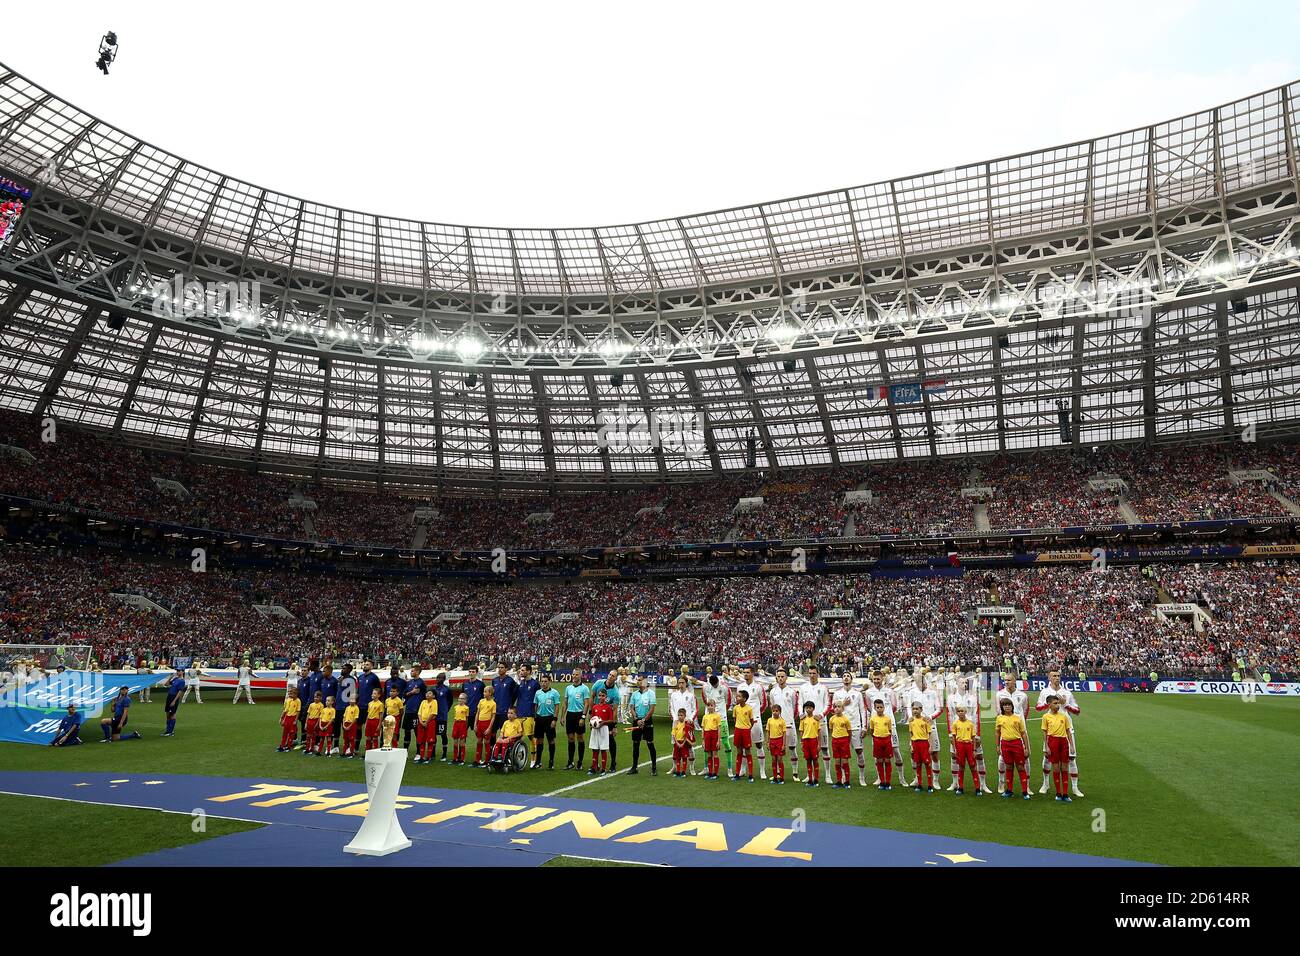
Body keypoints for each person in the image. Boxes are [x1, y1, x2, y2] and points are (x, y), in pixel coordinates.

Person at [1035, 671, 1083, 797]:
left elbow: (1077, 711)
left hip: (1067, 729)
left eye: (1058, 676)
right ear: (1049, 678)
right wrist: (1049, 703)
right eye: (1054, 676)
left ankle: (1075, 787)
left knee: (1071, 758)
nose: (1057, 678)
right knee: (1047, 756)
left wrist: (1065, 703)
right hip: (1051, 730)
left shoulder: (1067, 693)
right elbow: (1038, 708)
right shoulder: (1044, 692)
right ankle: (1045, 784)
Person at [797, 666, 833, 784]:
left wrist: (821, 715)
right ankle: (810, 775)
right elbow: (799, 703)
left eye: (814, 673)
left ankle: (828, 775)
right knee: (808, 751)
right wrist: (801, 714)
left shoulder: (823, 688)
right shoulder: (803, 688)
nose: (812, 675)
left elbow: (828, 704)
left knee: (824, 748)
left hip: (821, 722)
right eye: (810, 673)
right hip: (807, 723)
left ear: (818, 674)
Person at [833, 673, 869, 787]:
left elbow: (863, 710)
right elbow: (833, 710)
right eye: (844, 676)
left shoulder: (857, 694)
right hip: (842, 729)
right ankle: (844, 777)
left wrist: (864, 727)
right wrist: (843, 704)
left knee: (859, 751)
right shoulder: (837, 693)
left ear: (851, 679)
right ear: (842, 679)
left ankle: (861, 777)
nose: (846, 677)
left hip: (855, 726)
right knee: (842, 755)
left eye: (848, 676)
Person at [996, 675, 1030, 795]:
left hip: (1019, 730)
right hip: (1005, 731)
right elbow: (998, 711)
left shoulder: (1023, 695)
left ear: (1014, 681)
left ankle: (1027, 787)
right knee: (1002, 759)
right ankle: (1001, 783)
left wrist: (1018, 723)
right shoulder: (999, 694)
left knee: (1025, 758)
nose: (1006, 682)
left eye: (1009, 680)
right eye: (1005, 680)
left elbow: (1025, 711)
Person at [767, 670, 801, 782]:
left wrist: (790, 719)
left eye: (782, 676)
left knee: (792, 748)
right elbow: (772, 707)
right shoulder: (773, 692)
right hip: (776, 726)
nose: (780, 678)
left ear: (786, 678)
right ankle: (777, 773)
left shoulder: (792, 692)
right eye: (778, 676)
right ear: (776, 678)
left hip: (789, 724)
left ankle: (795, 773)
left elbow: (795, 708)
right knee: (776, 752)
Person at [736, 666, 768, 780]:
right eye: (744, 672)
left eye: (748, 672)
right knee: (743, 746)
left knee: (758, 744)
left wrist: (756, 714)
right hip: (743, 723)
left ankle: (762, 771)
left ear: (752, 674)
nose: (746, 674)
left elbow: (764, 703)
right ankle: (743, 769)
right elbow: (738, 702)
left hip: (755, 720)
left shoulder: (758, 687)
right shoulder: (740, 686)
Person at [1042, 695, 1073, 802]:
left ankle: (1065, 794)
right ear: (1049, 705)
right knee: (1056, 768)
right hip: (1053, 742)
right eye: (1055, 703)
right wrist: (1046, 746)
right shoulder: (1046, 717)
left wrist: (1071, 745)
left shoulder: (1064, 716)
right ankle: (1058, 793)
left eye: (1058, 703)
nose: (1058, 705)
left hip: (1063, 742)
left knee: (1064, 768)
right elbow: (1044, 732)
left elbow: (1068, 731)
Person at [588, 669, 621, 771]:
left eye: (613, 676)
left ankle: (613, 763)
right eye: (610, 674)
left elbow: (614, 710)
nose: (610, 676)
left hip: (607, 718)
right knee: (595, 740)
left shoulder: (615, 692)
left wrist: (614, 726)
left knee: (610, 740)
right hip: (596, 715)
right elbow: (592, 697)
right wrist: (590, 714)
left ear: (616, 679)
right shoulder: (598, 683)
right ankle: (595, 764)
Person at [668, 673, 699, 774]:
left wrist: (690, 719)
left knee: (689, 746)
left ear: (686, 683)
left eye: (682, 683)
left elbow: (695, 709)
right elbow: (671, 708)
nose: (681, 684)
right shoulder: (674, 695)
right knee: (675, 745)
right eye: (679, 683)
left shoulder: (691, 695)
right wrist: (675, 718)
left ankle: (692, 768)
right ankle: (674, 767)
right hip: (676, 724)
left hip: (687, 724)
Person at [628, 675, 658, 776]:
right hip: (637, 721)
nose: (638, 681)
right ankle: (634, 767)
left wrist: (644, 720)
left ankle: (654, 767)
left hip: (647, 722)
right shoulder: (634, 694)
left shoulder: (651, 693)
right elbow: (631, 708)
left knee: (650, 744)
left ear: (645, 682)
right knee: (636, 744)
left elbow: (652, 709)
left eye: (640, 680)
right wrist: (636, 719)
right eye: (637, 680)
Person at [531, 673, 561, 770]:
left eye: (545, 681)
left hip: (549, 718)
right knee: (539, 740)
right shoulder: (538, 693)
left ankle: (551, 762)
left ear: (549, 682)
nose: (543, 683)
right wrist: (535, 717)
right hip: (540, 719)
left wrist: (555, 719)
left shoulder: (554, 693)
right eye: (542, 681)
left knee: (551, 740)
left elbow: (557, 706)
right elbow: (535, 705)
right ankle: (538, 761)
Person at [950, 706, 979, 796]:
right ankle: (960, 788)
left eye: (962, 711)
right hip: (960, 746)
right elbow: (953, 737)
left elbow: (973, 737)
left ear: (965, 712)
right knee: (961, 766)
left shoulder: (970, 723)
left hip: (969, 745)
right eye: (959, 711)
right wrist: (955, 749)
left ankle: (977, 788)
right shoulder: (955, 724)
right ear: (957, 713)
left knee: (973, 766)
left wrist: (974, 749)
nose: (961, 712)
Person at [515, 664, 540, 762]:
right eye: (520, 670)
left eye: (523, 670)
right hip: (519, 713)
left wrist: (536, 713)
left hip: (529, 714)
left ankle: (534, 759)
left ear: (529, 671)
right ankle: (518, 758)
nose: (521, 672)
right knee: (517, 736)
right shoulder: (520, 683)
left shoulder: (535, 684)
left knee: (531, 736)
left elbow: (539, 699)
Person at [868, 698, 895, 790]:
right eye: (877, 707)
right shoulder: (873, 719)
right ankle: (882, 781)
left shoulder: (887, 718)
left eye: (881, 707)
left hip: (886, 740)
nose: (879, 709)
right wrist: (876, 738)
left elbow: (890, 730)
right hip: (877, 740)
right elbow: (872, 730)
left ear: (884, 708)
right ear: (875, 708)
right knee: (879, 760)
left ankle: (888, 782)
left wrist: (886, 737)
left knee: (887, 760)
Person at [908, 702, 934, 793]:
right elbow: (911, 734)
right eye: (913, 709)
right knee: (918, 764)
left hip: (924, 743)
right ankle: (919, 784)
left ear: (921, 709)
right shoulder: (911, 721)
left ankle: (930, 785)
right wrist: (911, 746)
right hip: (915, 744)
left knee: (927, 764)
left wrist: (930, 746)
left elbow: (929, 734)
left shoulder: (925, 720)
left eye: (917, 709)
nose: (915, 711)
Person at [489, 662, 518, 746]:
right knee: (492, 732)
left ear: (506, 669)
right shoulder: (494, 680)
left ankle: (504, 750)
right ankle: (492, 749)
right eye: (499, 667)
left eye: (502, 667)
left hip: (505, 711)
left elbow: (514, 694)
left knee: (505, 732)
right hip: (495, 711)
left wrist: (509, 704)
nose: (500, 669)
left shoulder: (510, 681)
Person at [587, 689, 614, 774]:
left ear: (606, 697)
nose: (601, 697)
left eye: (603, 696)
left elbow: (611, 720)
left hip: (604, 729)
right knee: (594, 749)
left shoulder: (608, 707)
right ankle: (594, 768)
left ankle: (603, 769)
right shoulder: (595, 707)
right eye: (600, 695)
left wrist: (603, 722)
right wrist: (591, 724)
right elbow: (592, 719)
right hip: (595, 730)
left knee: (603, 749)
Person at [731, 689, 755, 782]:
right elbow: (735, 718)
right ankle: (737, 774)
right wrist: (739, 726)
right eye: (737, 696)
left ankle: (750, 775)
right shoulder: (735, 708)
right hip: (738, 730)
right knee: (739, 751)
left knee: (748, 751)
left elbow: (752, 721)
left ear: (744, 699)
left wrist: (747, 729)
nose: (737, 698)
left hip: (745, 731)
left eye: (739, 696)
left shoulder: (749, 709)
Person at [828, 700, 853, 789]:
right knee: (837, 761)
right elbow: (831, 730)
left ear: (843, 708)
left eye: (839, 707)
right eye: (835, 707)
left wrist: (847, 742)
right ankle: (839, 781)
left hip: (844, 741)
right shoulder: (832, 719)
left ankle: (847, 781)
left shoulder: (845, 719)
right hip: (835, 741)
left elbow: (849, 732)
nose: (837, 708)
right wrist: (834, 737)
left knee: (845, 761)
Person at [402, 664, 427, 751]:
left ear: (417, 672)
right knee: (407, 731)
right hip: (408, 710)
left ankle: (418, 752)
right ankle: (405, 751)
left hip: (417, 711)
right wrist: (411, 692)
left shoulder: (421, 683)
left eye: (412, 671)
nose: (411, 672)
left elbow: (425, 696)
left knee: (417, 731)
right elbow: (404, 695)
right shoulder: (409, 683)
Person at [430, 672, 453, 762]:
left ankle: (444, 754)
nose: (438, 679)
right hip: (433, 716)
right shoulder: (433, 689)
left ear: (444, 679)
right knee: (433, 735)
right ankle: (432, 753)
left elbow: (450, 701)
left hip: (442, 716)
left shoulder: (447, 690)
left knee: (443, 734)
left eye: (440, 678)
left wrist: (445, 710)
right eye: (437, 678)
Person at [335, 664, 357, 753]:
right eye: (342, 668)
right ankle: (335, 746)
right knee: (336, 727)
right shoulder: (340, 678)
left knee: (346, 728)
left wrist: (350, 705)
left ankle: (348, 747)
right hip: (338, 706)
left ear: (349, 670)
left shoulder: (351, 680)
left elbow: (352, 693)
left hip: (345, 706)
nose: (342, 670)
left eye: (344, 668)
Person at [798, 701, 822, 787]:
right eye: (807, 708)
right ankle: (810, 779)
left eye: (810, 708)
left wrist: (819, 744)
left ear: (813, 709)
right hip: (805, 741)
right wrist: (801, 742)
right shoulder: (803, 719)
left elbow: (819, 732)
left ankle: (816, 779)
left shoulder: (816, 719)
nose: (808, 709)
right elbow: (801, 731)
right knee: (808, 760)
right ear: (805, 709)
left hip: (813, 741)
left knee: (815, 760)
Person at [473, 688, 497, 767]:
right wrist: (475, 724)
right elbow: (477, 713)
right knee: (479, 741)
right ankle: (477, 760)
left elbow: (493, 717)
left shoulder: (493, 703)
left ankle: (487, 761)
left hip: (487, 724)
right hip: (480, 723)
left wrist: (489, 728)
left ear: (490, 693)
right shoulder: (481, 701)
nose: (483, 693)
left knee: (486, 741)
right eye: (483, 691)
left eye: (485, 692)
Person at [699, 698, 722, 779]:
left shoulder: (717, 716)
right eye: (708, 706)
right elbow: (703, 728)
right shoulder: (705, 717)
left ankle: (715, 773)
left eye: (712, 705)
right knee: (709, 754)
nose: (710, 707)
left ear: (715, 706)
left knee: (715, 754)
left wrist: (718, 740)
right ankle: (710, 772)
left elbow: (719, 729)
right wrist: (703, 740)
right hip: (707, 735)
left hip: (714, 735)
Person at [766, 704, 788, 784]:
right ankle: (775, 778)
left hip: (779, 740)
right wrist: (767, 742)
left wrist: (784, 744)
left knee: (779, 759)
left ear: (780, 712)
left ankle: (781, 778)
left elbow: (784, 733)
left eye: (776, 711)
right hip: (772, 741)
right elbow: (768, 732)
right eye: (773, 711)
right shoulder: (769, 720)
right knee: (773, 759)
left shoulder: (782, 721)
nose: (775, 712)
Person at [415, 690, 438, 764]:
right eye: (427, 693)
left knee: (430, 740)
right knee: (422, 740)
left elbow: (433, 714)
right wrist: (421, 722)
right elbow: (419, 713)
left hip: (430, 723)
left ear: (433, 696)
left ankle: (428, 757)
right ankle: (421, 757)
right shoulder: (423, 702)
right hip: (422, 723)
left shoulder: (434, 702)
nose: (427, 694)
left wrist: (426, 722)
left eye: (430, 693)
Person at [161, 669, 185, 737]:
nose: (178, 672)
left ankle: (170, 731)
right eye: (177, 671)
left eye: (179, 671)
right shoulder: (175, 679)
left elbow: (180, 692)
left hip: (174, 697)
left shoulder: (182, 681)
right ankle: (168, 730)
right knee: (167, 713)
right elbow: (166, 684)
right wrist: (170, 678)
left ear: (183, 672)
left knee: (172, 714)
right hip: (169, 696)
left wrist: (174, 701)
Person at [671, 708, 694, 777]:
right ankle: (678, 771)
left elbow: (687, 735)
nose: (680, 717)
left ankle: (683, 772)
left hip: (684, 743)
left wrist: (683, 743)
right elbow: (673, 734)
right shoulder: (676, 723)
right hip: (677, 743)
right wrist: (677, 743)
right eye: (678, 715)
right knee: (677, 758)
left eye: (681, 715)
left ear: (685, 716)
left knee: (684, 758)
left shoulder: (686, 724)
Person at [450, 692, 471, 764]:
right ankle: (455, 758)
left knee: (462, 742)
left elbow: (467, 718)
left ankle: (462, 759)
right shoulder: (455, 707)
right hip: (456, 724)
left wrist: (465, 727)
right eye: (459, 698)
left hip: (463, 724)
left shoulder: (466, 708)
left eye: (462, 698)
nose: (460, 700)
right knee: (455, 742)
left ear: (465, 700)